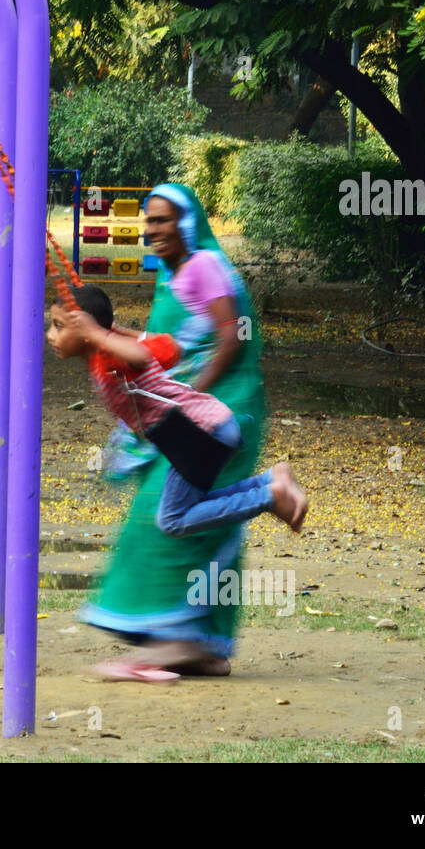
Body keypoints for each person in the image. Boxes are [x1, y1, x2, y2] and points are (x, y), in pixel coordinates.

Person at [76, 183, 272, 679]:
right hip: (189, 413)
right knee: (181, 517)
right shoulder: (173, 275)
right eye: (149, 221)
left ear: (186, 223)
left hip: (220, 411)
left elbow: (230, 340)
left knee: (171, 517)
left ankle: (181, 641)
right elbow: (164, 347)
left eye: (162, 220)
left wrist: (185, 400)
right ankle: (197, 643)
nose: (153, 230)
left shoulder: (205, 266)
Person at [48, 283, 305, 537]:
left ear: (86, 329)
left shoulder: (111, 358)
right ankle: (271, 481)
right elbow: (172, 350)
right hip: (207, 427)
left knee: (172, 519)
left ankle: (269, 496)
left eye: (59, 326)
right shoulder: (103, 355)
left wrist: (101, 334)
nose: (50, 335)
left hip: (201, 432)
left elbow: (139, 357)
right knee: (189, 505)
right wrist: (116, 332)